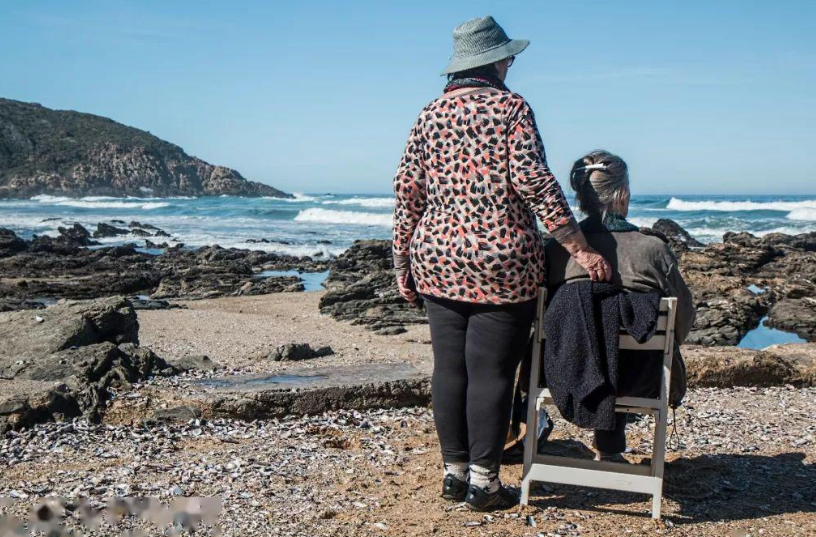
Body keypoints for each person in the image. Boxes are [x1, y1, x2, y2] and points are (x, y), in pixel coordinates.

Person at [391, 16, 612, 511]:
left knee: (449, 369)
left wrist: (402, 260)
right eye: (508, 57)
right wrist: (579, 246)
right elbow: (534, 181)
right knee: (491, 372)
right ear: (494, 60)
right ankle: (484, 484)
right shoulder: (511, 108)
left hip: (438, 256)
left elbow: (408, 191)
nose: (511, 63)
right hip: (502, 261)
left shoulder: (429, 114)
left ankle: (454, 473)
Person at [545, 149, 695, 460]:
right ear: (622, 193)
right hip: (640, 378)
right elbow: (683, 318)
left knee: (590, 334)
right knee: (624, 344)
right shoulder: (653, 250)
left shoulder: (557, 251)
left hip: (562, 374)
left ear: (581, 197)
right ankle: (610, 448)